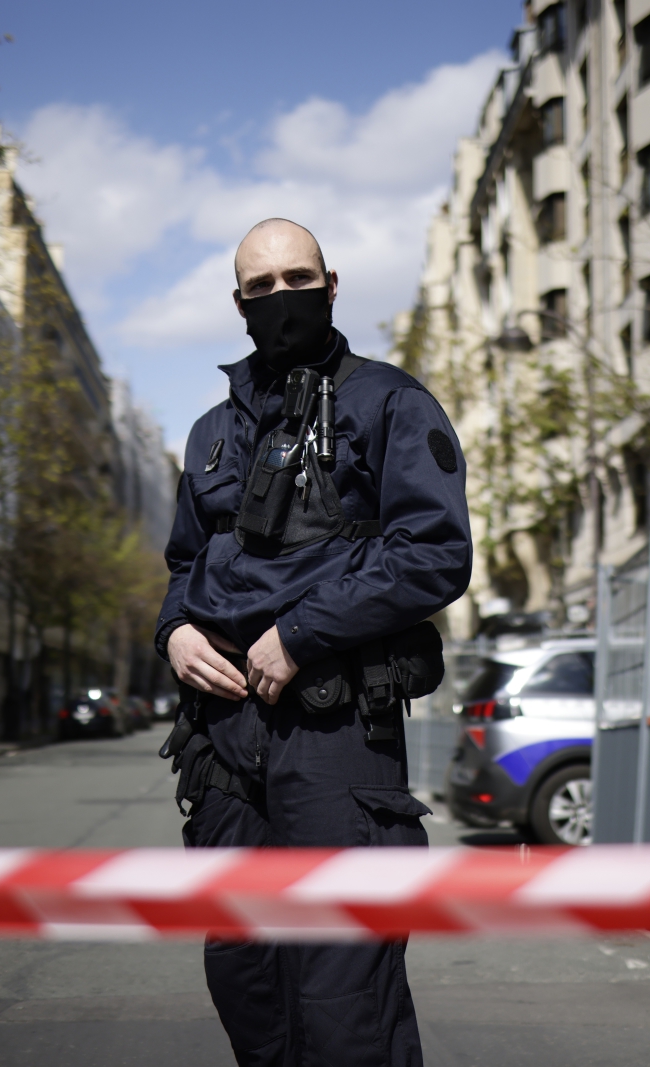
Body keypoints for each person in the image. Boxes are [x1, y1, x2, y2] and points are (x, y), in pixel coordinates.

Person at [155, 218, 472, 1066]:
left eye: (296, 279)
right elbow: (184, 561)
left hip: (335, 738)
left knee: (343, 1000)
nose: (278, 299)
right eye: (259, 289)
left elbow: (436, 554)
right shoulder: (208, 434)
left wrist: (298, 635)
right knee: (247, 981)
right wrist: (175, 630)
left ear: (332, 286)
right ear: (237, 303)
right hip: (224, 746)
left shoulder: (390, 403)